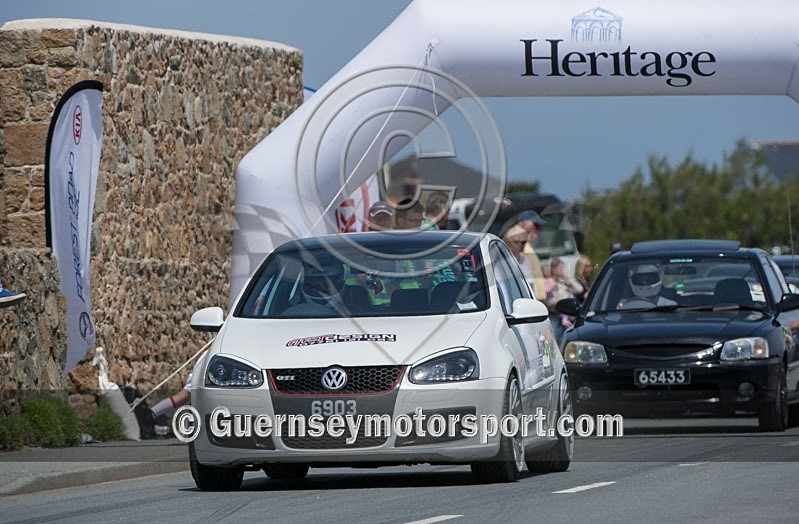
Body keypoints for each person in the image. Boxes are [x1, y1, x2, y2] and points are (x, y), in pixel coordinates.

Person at [544, 257, 584, 343]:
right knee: (553, 342)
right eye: (560, 268)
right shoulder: (547, 283)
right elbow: (546, 301)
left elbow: (579, 289)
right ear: (554, 269)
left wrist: (567, 278)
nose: (563, 270)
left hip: (567, 319)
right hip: (554, 317)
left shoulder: (563, 284)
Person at [514, 210, 547, 301]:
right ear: (523, 224)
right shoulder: (518, 247)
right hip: (529, 300)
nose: (538, 229)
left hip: (536, 300)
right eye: (535, 225)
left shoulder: (528, 247)